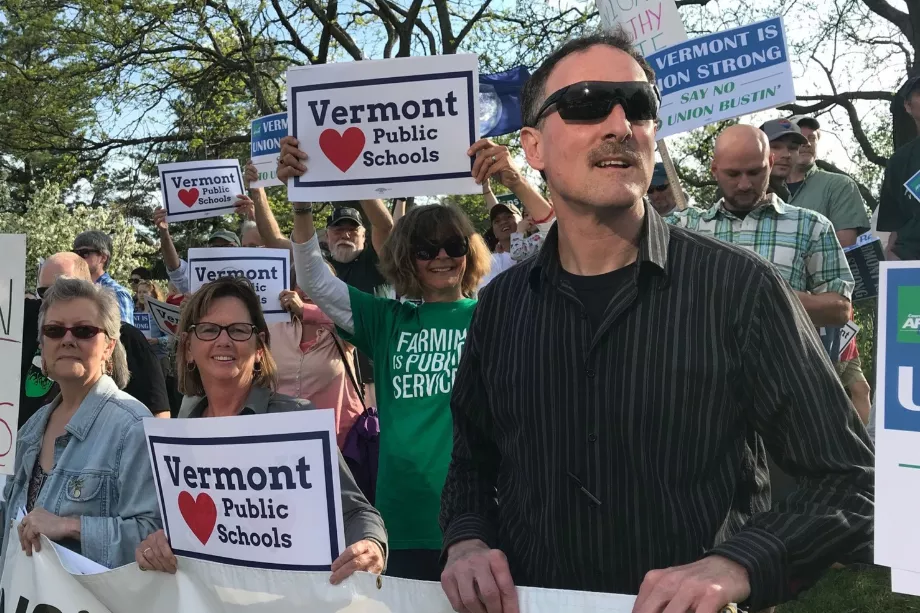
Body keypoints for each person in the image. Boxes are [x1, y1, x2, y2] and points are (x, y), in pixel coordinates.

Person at [439, 31, 874, 613]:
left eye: (639, 105)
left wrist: (739, 561)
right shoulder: (500, 307)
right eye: (589, 102)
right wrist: (467, 538)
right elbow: (471, 461)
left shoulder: (740, 290)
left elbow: (847, 480)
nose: (621, 124)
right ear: (533, 146)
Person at [278, 138, 490, 580]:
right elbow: (315, 279)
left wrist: (510, 179)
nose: (441, 258)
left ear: (469, 250)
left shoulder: (494, 314)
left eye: (453, 245)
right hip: (403, 518)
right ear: (406, 259)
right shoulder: (387, 320)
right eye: (425, 250)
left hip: (480, 520)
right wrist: (299, 206)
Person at [133, 277, 387, 583]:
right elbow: (170, 526)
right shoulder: (180, 431)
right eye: (209, 329)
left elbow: (356, 513)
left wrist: (371, 546)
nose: (223, 341)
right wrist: (155, 546)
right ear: (188, 348)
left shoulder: (295, 420)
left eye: (239, 330)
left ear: (260, 349)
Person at [1, 277, 161, 576]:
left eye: (84, 331)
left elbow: (153, 537)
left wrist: (69, 527)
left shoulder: (133, 426)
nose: (68, 339)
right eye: (54, 330)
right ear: (42, 346)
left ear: (109, 346)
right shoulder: (29, 430)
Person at [670, 125, 854, 330]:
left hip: (780, 360)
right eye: (733, 174)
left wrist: (772, 295)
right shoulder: (685, 228)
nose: (744, 185)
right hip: (703, 359)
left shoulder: (811, 226)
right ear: (714, 170)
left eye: (754, 172)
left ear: (770, 163)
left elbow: (841, 309)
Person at [21, 253, 172, 422]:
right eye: (45, 292)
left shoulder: (127, 337)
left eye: (85, 332)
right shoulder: (25, 324)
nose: (55, 298)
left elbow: (158, 417)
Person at [274, 274, 365, 450]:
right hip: (285, 441)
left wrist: (307, 312)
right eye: (301, 283)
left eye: (317, 281)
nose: (307, 289)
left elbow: (360, 323)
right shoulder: (273, 328)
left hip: (340, 442)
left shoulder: (340, 329)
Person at [474, 139, 554, 286]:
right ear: (494, 232)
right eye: (496, 221)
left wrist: (516, 181)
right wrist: (485, 188)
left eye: (509, 217)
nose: (503, 222)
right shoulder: (489, 262)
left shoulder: (541, 244)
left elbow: (556, 229)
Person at [785, 117, 870, 248]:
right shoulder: (765, 188)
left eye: (812, 138)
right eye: (800, 138)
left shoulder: (840, 185)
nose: (807, 143)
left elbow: (845, 248)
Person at [878, 75, 920, 261]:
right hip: (911, 269)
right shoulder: (898, 161)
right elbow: (895, 223)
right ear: (908, 106)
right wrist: (893, 264)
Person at [73, 230, 134, 324]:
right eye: (75, 253)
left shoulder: (117, 293)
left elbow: (124, 337)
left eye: (84, 253)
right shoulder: (73, 291)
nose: (78, 258)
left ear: (103, 257)